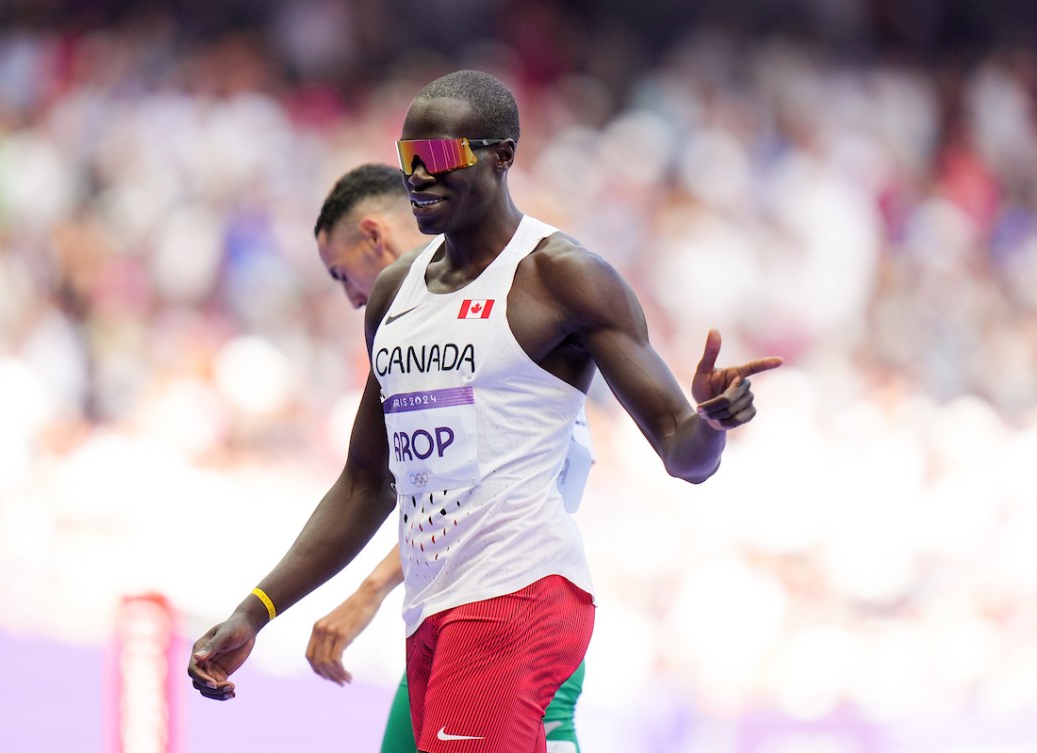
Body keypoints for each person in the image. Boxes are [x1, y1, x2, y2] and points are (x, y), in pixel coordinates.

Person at [187, 70, 782, 753]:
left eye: (438, 159)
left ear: (502, 155)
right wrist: (255, 610)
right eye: (409, 160)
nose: (418, 178)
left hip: (518, 592)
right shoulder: (391, 296)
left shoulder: (560, 275)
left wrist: (708, 419)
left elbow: (685, 456)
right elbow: (362, 482)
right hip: (431, 609)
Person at [308, 163, 590, 753]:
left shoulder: (503, 316)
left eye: (342, 274)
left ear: (374, 237)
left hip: (512, 615)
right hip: (446, 614)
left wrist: (368, 591)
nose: (351, 295)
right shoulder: (417, 325)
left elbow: (464, 502)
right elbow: (421, 493)